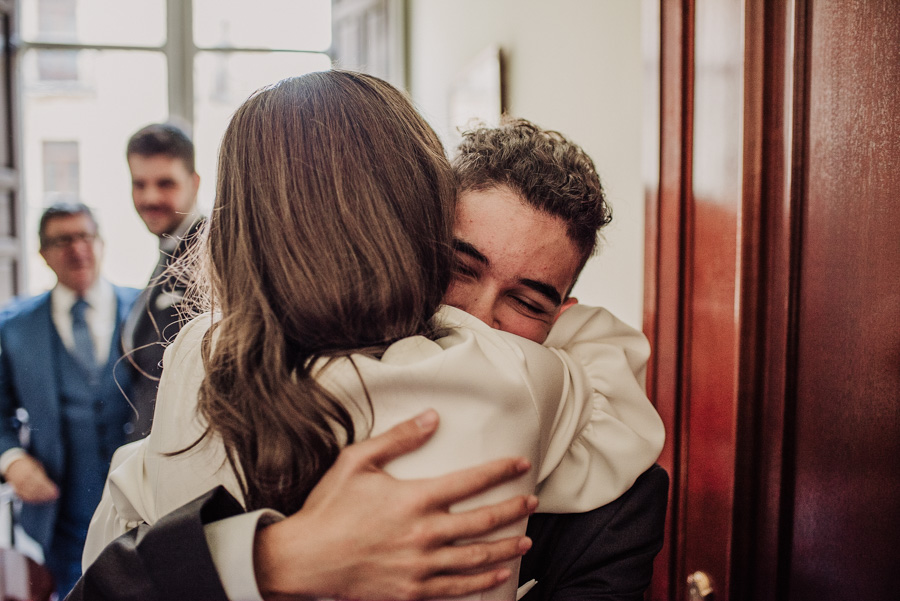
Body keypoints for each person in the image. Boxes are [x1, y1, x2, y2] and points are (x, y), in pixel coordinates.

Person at [79, 72, 663, 601]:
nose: (480, 317)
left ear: (562, 315)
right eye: (460, 267)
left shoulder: (623, 506)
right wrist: (270, 559)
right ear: (407, 240)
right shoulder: (537, 382)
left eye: (527, 302)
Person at [0, 203, 139, 598]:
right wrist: (11, 460)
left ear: (101, 243)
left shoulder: (146, 311)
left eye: (84, 237)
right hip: (61, 520)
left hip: (142, 511)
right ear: (43, 253)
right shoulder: (14, 328)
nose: (77, 250)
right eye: (63, 240)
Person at [120, 122, 204, 440]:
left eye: (165, 183)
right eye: (139, 184)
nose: (150, 197)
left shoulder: (214, 254)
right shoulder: (167, 253)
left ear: (194, 184)